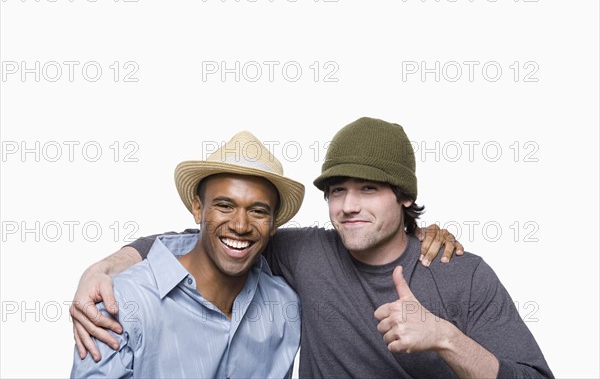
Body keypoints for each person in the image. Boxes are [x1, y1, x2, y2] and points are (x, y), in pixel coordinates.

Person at [73, 118, 553, 378]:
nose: (348, 206)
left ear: (406, 197)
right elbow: (217, 238)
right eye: (337, 190)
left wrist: (446, 337)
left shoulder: (459, 272)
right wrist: (107, 265)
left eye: (368, 190)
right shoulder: (305, 254)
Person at [70, 131, 305, 378]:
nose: (240, 225)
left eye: (258, 211)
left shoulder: (285, 307)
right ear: (197, 209)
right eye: (225, 206)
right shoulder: (122, 303)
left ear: (274, 223)